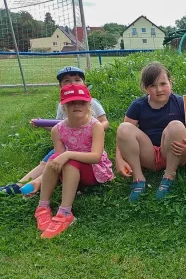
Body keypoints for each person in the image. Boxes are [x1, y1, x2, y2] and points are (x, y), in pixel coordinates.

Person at [0, 66, 109, 196]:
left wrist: (94, 129)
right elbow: (59, 127)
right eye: (67, 81)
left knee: (59, 162)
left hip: (86, 145)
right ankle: (18, 185)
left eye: (77, 80)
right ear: (60, 86)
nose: (72, 83)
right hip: (67, 145)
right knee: (47, 162)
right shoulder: (63, 105)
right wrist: (43, 124)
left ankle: (37, 183)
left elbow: (105, 121)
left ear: (84, 84)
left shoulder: (90, 102)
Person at [34, 84, 114, 239]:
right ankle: (42, 207)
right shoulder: (57, 129)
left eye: (82, 102)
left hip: (95, 171)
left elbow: (96, 156)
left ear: (89, 105)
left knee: (69, 161)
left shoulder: (95, 126)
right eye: (71, 102)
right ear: (63, 107)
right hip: (72, 172)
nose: (77, 105)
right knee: (54, 159)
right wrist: (64, 156)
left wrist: (68, 154)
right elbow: (58, 161)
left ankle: (65, 213)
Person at [115, 61, 186, 202]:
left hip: (175, 152)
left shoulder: (180, 103)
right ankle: (138, 178)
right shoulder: (138, 105)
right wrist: (119, 159)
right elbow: (122, 137)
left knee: (176, 126)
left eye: (163, 84)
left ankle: (169, 177)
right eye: (152, 86)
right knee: (123, 128)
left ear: (170, 82)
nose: (159, 89)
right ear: (145, 88)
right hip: (149, 155)